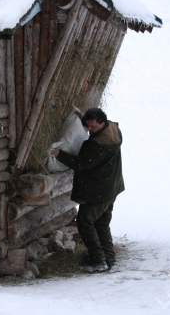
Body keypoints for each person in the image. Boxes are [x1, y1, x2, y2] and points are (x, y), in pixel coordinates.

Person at [53, 108, 124, 272]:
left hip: (98, 192)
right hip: (111, 187)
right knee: (102, 224)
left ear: (102, 124)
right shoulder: (113, 130)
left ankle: (97, 259)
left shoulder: (99, 145)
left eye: (93, 127)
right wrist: (86, 119)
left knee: (85, 222)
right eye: (88, 126)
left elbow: (81, 163)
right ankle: (109, 258)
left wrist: (59, 154)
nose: (90, 130)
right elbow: (97, 125)